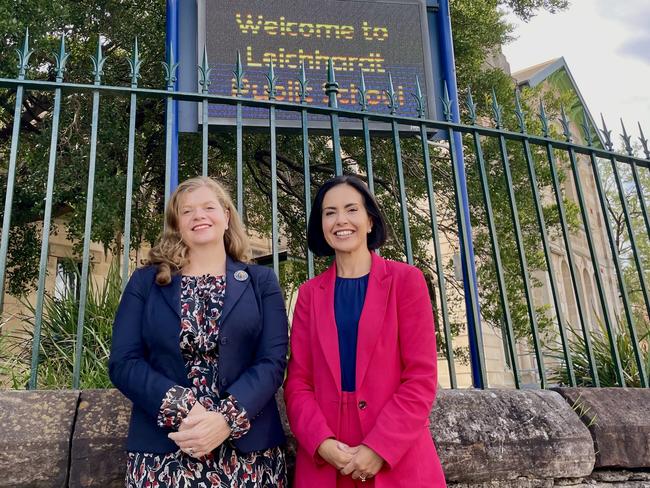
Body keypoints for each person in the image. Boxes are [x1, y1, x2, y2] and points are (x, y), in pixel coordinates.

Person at [109, 176, 288, 487]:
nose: (199, 216)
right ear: (176, 223)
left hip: (248, 453)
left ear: (226, 216)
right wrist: (185, 409)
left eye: (209, 207)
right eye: (187, 211)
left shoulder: (262, 281)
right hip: (164, 449)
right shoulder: (145, 283)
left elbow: (273, 361)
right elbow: (124, 362)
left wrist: (225, 420)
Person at [284, 175, 446, 488]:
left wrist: (380, 447)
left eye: (351, 210)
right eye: (329, 212)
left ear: (370, 221)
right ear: (321, 225)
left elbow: (421, 377)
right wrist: (321, 443)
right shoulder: (308, 294)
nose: (340, 220)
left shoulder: (406, 281)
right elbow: (298, 382)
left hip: (395, 456)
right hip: (327, 460)